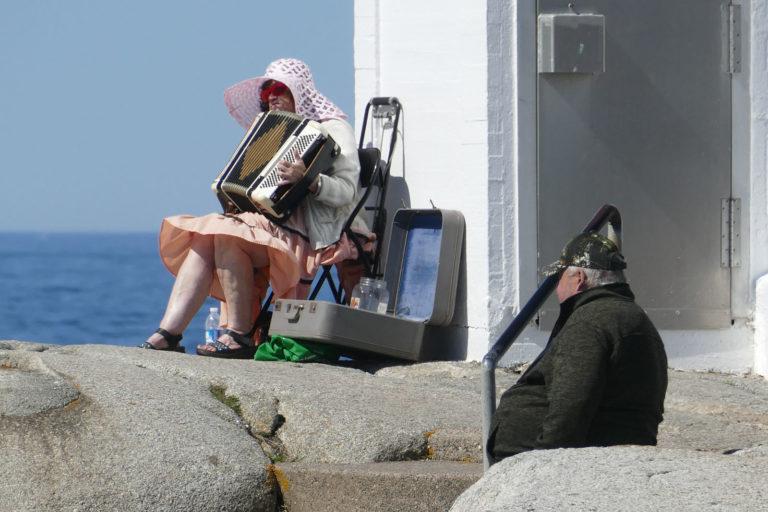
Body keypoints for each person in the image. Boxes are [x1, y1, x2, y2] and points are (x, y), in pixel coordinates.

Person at [140, 58, 365, 358]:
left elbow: (347, 193)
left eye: (279, 88)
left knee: (227, 238)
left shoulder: (334, 128)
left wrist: (310, 181)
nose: (270, 95)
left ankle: (240, 333)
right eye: (265, 91)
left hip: (312, 233)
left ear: (299, 92)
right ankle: (169, 332)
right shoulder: (266, 131)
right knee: (207, 237)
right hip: (266, 224)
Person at [487, 232, 668, 462]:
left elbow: (571, 406)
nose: (557, 290)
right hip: (604, 456)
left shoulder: (590, 322)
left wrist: (543, 464)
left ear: (579, 278)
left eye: (560, 278)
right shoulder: (627, 315)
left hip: (554, 467)